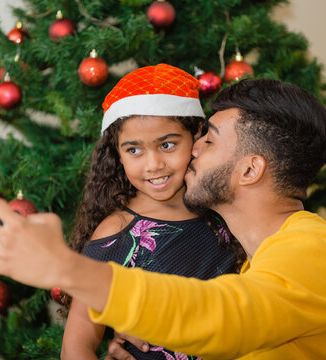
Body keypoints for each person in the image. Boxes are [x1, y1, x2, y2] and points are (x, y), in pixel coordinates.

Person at [0, 78, 326, 359]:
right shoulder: (255, 259)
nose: (193, 152)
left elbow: (221, 315)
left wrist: (66, 268)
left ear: (250, 169)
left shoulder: (312, 252)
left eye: (207, 139)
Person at [64, 64, 240, 359]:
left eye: (167, 145)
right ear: (117, 155)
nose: (153, 165)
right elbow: (76, 343)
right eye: (134, 150)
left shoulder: (227, 210)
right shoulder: (115, 234)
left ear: (197, 136)